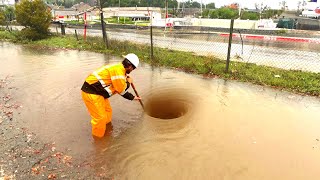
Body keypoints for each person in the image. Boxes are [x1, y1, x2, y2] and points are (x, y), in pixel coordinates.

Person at [81, 53, 141, 138]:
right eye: (133, 69)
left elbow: (119, 85)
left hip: (99, 93)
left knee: (108, 111)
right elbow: (121, 90)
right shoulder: (118, 72)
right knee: (100, 118)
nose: (132, 71)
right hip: (91, 92)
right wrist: (129, 83)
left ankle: (106, 131)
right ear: (130, 66)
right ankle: (99, 140)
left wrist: (132, 95)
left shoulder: (119, 69)